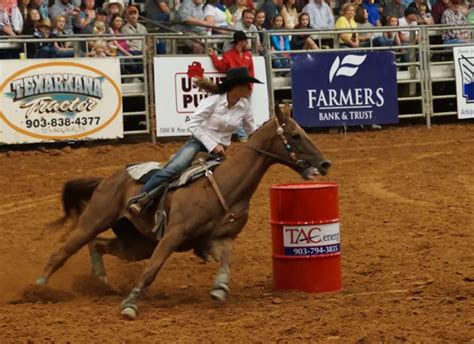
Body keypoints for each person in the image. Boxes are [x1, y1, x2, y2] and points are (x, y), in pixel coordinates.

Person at [127, 67, 263, 215]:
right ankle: (140, 198)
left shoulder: (245, 107)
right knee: (174, 169)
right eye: (247, 85)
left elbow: (251, 131)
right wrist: (213, 145)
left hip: (221, 150)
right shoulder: (214, 101)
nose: (250, 88)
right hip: (198, 144)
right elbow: (193, 124)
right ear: (236, 86)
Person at [208, 31, 255, 143]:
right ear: (240, 42)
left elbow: (251, 71)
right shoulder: (229, 55)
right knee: (238, 110)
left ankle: (245, 134)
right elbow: (221, 66)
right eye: (245, 40)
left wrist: (250, 86)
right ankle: (243, 134)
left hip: (244, 86)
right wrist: (213, 56)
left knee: (244, 110)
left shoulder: (247, 55)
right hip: (236, 87)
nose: (246, 42)